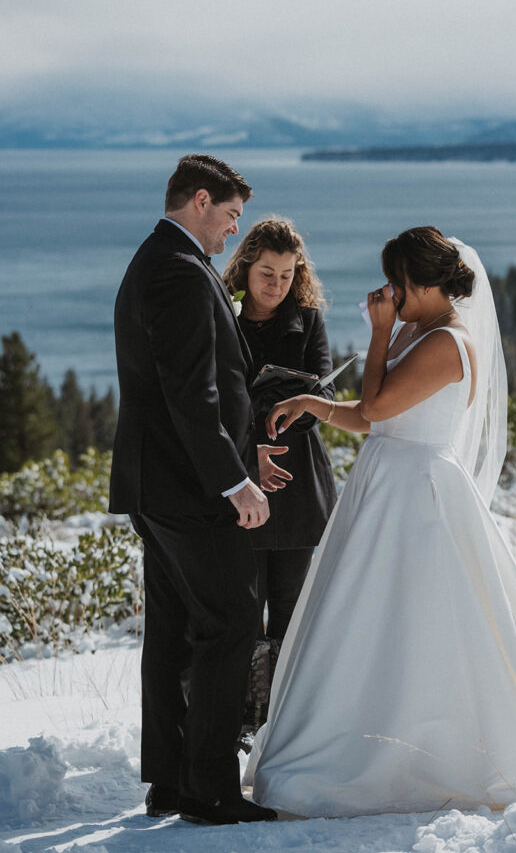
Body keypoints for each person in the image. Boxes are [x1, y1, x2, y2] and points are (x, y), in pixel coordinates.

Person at [245, 226, 516, 817]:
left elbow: (374, 406)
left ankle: (411, 754)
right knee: (366, 621)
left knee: (418, 625)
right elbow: (376, 418)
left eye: (397, 282)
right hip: (384, 486)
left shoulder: (447, 343)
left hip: (419, 496)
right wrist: (315, 404)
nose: (389, 293)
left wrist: (377, 335)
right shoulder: (414, 330)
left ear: (423, 284)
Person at [109, 154, 290, 826]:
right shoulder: (181, 273)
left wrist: (246, 451)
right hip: (187, 487)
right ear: (202, 200)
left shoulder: (159, 261)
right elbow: (193, 395)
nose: (230, 234)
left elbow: (193, 390)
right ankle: (210, 791)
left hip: (160, 481)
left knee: (176, 631)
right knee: (232, 623)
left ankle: (170, 781)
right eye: (231, 218)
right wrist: (234, 480)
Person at [222, 218, 337, 647]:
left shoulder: (308, 321)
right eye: (267, 274)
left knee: (291, 615)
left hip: (299, 484)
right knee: (242, 613)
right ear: (246, 268)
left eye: (287, 276)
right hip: (239, 475)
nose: (277, 286)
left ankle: (283, 713)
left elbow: (325, 394)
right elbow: (212, 397)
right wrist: (272, 411)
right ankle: (247, 712)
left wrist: (280, 411)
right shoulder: (223, 317)